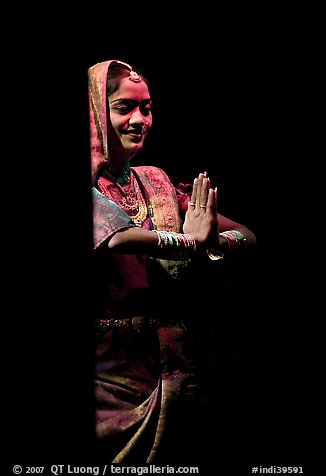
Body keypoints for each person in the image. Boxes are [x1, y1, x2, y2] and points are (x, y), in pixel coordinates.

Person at [88, 59, 257, 464]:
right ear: (94, 112)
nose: (139, 119)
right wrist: (187, 242)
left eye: (146, 108)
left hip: (178, 369)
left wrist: (215, 241)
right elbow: (117, 238)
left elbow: (248, 235)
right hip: (110, 378)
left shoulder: (156, 181)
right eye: (124, 107)